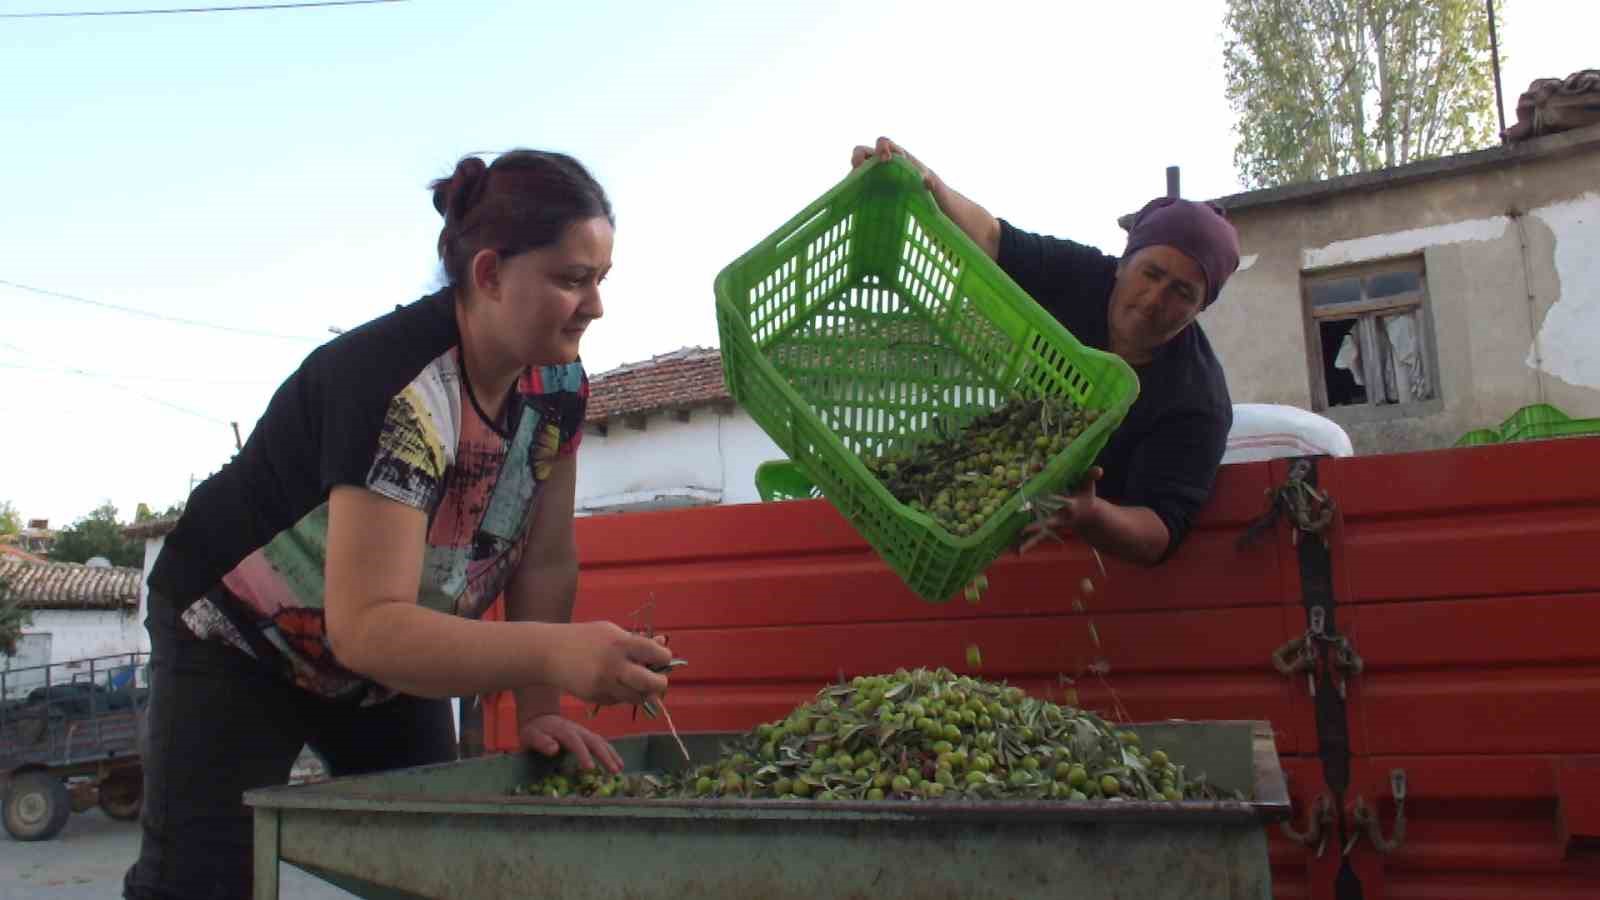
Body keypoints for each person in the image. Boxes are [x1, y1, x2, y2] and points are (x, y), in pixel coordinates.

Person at [124, 149, 675, 899]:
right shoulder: (401, 391)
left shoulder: (558, 388)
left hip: (392, 648)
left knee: (431, 863)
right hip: (237, 637)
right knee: (208, 878)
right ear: (488, 274)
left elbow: (543, 559)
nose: (595, 306)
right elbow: (366, 627)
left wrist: (541, 710)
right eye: (572, 280)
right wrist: (558, 653)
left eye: (600, 280)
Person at [850, 137, 1241, 567]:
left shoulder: (1198, 400)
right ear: (1122, 263)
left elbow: (1159, 530)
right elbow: (993, 238)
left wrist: (1091, 515)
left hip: (1089, 557)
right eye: (1151, 273)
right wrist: (923, 180)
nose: (1153, 300)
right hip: (1005, 487)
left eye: (1181, 292)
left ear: (1201, 308)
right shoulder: (1081, 276)